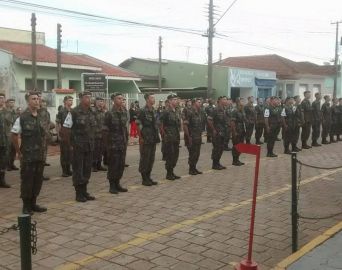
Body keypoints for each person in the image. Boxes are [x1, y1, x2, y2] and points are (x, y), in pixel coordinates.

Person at [11, 91, 47, 214]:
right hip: (28, 156)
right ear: (28, 101)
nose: (36, 101)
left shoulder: (41, 116)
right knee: (27, 181)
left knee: (38, 180)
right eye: (33, 99)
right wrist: (18, 151)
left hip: (40, 155)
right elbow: (14, 135)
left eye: (37, 99)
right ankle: (26, 206)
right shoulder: (22, 117)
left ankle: (33, 203)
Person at [64, 91, 96, 202]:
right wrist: (70, 145)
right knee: (78, 170)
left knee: (87, 170)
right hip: (78, 147)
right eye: (87, 97)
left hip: (89, 146)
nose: (89, 99)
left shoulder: (92, 112)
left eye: (90, 97)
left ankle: (84, 191)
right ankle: (79, 193)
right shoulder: (74, 112)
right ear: (81, 99)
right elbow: (66, 129)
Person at [103, 93, 129, 194]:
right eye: (119, 98)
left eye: (122, 98)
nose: (121, 100)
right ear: (113, 100)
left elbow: (124, 127)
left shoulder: (123, 112)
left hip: (122, 143)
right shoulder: (109, 113)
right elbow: (105, 130)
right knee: (113, 165)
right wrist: (107, 145)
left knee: (121, 165)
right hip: (113, 144)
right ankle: (112, 186)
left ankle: (118, 183)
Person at [137, 93, 160, 186]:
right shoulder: (142, 110)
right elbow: (138, 124)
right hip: (146, 138)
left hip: (153, 137)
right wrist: (141, 137)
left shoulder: (154, 110)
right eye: (152, 98)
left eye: (154, 98)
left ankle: (148, 176)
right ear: (147, 99)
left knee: (151, 158)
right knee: (145, 158)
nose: (154, 99)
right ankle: (144, 178)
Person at [160, 93, 181, 180]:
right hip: (169, 137)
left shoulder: (176, 111)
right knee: (170, 155)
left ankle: (172, 172)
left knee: (175, 155)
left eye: (176, 99)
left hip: (176, 136)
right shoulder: (165, 112)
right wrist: (164, 135)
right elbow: (160, 124)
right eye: (174, 100)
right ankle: (169, 173)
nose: (176, 101)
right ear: (169, 101)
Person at [183, 98, 203, 175]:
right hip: (192, 136)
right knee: (192, 154)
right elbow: (185, 125)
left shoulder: (200, 112)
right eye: (199, 102)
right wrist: (188, 137)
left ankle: (194, 168)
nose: (200, 103)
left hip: (198, 136)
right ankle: (191, 169)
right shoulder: (189, 112)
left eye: (200, 102)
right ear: (194, 103)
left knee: (197, 153)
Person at [207, 96, 228, 170]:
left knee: (221, 148)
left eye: (226, 99)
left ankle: (218, 163)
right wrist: (213, 130)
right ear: (219, 101)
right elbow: (209, 120)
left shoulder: (224, 109)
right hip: (217, 133)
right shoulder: (215, 109)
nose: (226, 101)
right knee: (216, 148)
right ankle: (214, 164)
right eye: (224, 99)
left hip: (223, 132)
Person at [56, 96, 73, 177]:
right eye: (69, 100)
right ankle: (64, 171)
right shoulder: (62, 111)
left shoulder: (72, 111)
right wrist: (59, 134)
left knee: (70, 152)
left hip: (71, 134)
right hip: (64, 133)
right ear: (65, 101)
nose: (71, 102)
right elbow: (58, 123)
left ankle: (68, 169)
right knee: (64, 153)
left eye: (72, 100)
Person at [37, 95, 51, 181]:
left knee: (43, 157)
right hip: (38, 138)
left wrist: (48, 133)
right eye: (42, 103)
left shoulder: (46, 112)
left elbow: (48, 123)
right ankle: (37, 175)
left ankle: (40, 174)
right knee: (38, 157)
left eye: (45, 104)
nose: (44, 105)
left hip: (45, 137)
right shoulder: (36, 112)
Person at [92, 97, 107, 172]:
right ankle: (93, 165)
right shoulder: (93, 111)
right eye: (99, 101)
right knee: (95, 150)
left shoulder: (103, 112)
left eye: (102, 101)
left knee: (101, 150)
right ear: (96, 102)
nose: (101, 103)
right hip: (94, 135)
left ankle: (99, 164)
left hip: (102, 134)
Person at [0, 93, 11, 188]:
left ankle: (2, 180)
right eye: (0, 98)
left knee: (3, 161)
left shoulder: (7, 111)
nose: (1, 100)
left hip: (5, 140)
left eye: (3, 98)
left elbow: (9, 123)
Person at [231, 97, 246, 166]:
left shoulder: (242, 110)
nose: (243, 102)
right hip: (237, 130)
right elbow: (232, 122)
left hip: (242, 129)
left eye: (243, 101)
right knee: (236, 145)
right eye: (242, 101)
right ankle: (235, 160)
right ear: (238, 102)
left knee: (241, 145)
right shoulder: (235, 111)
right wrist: (234, 132)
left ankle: (237, 159)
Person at [5, 98, 18, 171]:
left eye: (13, 102)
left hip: (14, 133)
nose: (12, 104)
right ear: (7, 103)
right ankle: (7, 165)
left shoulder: (15, 112)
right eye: (10, 102)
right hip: (6, 134)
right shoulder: (5, 112)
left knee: (14, 149)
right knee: (7, 150)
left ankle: (12, 164)